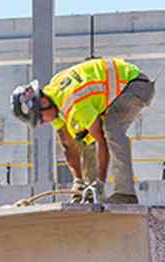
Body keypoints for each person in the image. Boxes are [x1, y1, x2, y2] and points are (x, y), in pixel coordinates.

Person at [11, 57, 156, 205]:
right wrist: (78, 180)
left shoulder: (75, 103)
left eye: (40, 119)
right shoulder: (53, 96)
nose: (43, 123)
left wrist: (100, 182)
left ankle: (126, 193)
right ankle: (88, 191)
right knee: (84, 137)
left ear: (43, 102)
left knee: (111, 129)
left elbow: (102, 142)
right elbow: (68, 144)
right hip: (115, 93)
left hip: (135, 85)